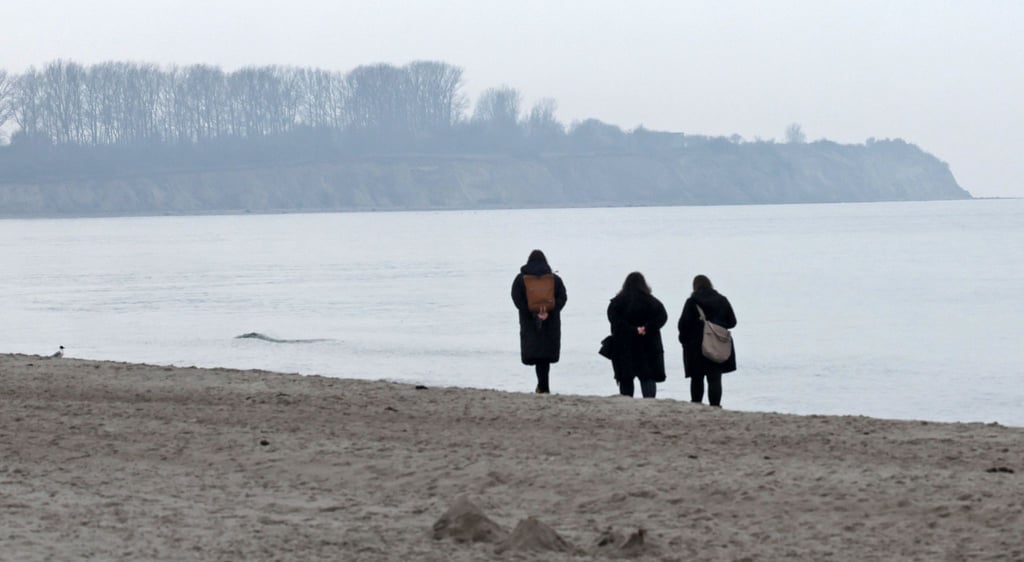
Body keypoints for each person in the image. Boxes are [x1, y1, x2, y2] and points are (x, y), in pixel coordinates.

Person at [510, 250, 567, 393]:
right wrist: (549, 311)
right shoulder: (554, 279)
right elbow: (563, 297)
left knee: (537, 354)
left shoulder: (521, 279)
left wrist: (532, 312)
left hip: (530, 323)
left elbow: (516, 298)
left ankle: (542, 386)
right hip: (550, 322)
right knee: (545, 358)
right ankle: (543, 386)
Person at [678, 274, 737, 407]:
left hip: (696, 346)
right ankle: (715, 406)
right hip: (717, 344)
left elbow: (683, 325)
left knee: (697, 378)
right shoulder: (722, 300)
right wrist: (717, 325)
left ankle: (696, 405)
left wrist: (683, 340)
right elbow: (732, 322)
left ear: (695, 287)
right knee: (715, 378)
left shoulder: (692, 302)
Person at [607, 272, 667, 398]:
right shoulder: (652, 302)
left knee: (626, 377)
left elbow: (615, 320)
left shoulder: (617, 302)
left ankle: (627, 402)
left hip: (624, 345)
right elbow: (662, 317)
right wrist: (646, 328)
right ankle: (649, 401)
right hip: (648, 344)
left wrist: (631, 329)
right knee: (647, 376)